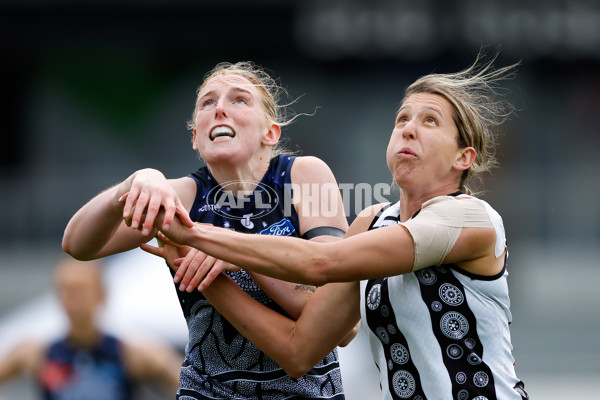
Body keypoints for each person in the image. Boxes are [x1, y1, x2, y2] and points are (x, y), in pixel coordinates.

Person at [141, 53, 529, 399]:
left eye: (430, 121)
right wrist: (201, 267)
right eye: (402, 119)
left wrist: (203, 238)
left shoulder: (470, 216)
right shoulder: (372, 221)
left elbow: (319, 263)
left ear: (464, 157)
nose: (409, 129)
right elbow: (298, 352)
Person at [62, 61, 351, 399]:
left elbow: (339, 320)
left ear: (270, 133)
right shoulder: (181, 196)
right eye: (208, 102)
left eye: (239, 100)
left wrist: (238, 253)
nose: (220, 110)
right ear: (196, 138)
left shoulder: (305, 175)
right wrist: (133, 183)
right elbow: (77, 245)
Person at [0, 257, 182, 400]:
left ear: (101, 295)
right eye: (66, 290)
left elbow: (189, 386)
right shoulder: (37, 354)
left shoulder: (130, 353)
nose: (73, 300)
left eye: (80, 291)